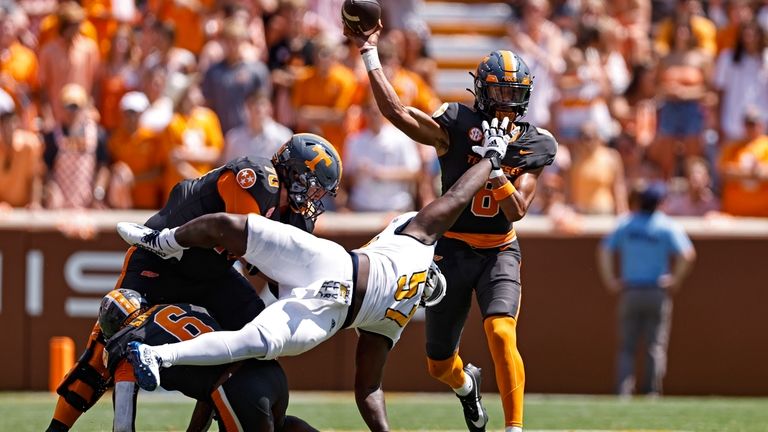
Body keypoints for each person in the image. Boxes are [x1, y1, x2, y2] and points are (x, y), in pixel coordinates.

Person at [118, 118, 513, 432]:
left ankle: (156, 355)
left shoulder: (397, 318)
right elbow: (457, 198)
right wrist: (490, 160)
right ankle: (163, 240)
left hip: (328, 316)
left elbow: (368, 389)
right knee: (236, 229)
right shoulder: (416, 241)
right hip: (332, 265)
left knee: (252, 341)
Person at [46, 133, 341, 432]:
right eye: (314, 186)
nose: (315, 199)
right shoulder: (256, 178)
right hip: (161, 262)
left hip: (211, 271)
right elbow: (244, 242)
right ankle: (56, 428)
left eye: (321, 193)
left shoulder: (294, 217)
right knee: (107, 345)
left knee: (251, 340)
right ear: (291, 172)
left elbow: (278, 277)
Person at [346, 22, 558, 432]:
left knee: (500, 331)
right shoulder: (457, 124)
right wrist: (369, 52)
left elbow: (516, 210)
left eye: (512, 95)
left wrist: (493, 167)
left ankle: (514, 428)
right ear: (480, 92)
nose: (503, 103)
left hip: (499, 250)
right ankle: (466, 385)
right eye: (496, 93)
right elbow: (397, 112)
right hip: (452, 249)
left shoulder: (535, 142)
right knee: (439, 364)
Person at [98, 289, 318, 432]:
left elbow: (123, 427)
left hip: (237, 389)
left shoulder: (127, 344)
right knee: (283, 426)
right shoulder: (181, 308)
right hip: (268, 371)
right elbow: (209, 382)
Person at [597, 181, 696, 396]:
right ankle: (651, 391)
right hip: (656, 291)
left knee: (627, 345)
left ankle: (623, 391)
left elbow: (604, 249)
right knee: (655, 345)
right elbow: (688, 255)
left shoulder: (626, 224)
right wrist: (675, 280)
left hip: (631, 291)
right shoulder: (667, 225)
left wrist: (610, 280)